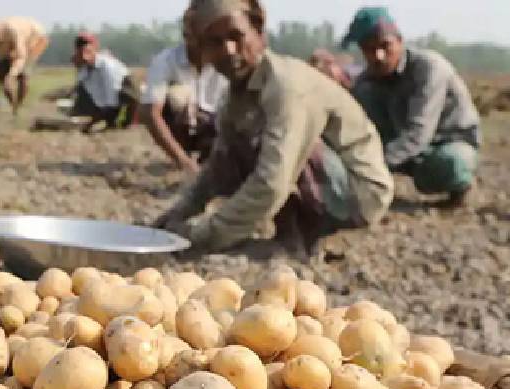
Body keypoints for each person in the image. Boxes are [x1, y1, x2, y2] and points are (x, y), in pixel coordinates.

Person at [155, 0, 394, 252]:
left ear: (259, 34)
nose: (229, 50)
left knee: (276, 145)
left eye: (237, 36)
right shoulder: (237, 93)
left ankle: (301, 236)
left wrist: (203, 235)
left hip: (360, 193)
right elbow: (218, 165)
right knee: (237, 146)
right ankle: (292, 233)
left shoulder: (287, 87)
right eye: (215, 42)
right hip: (329, 184)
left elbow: (273, 181)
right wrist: (178, 214)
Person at [344, 7, 481, 204]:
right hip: (405, 145)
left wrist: (374, 166)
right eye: (369, 49)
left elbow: (419, 132)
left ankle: (461, 186)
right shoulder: (366, 82)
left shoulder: (429, 68)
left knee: (451, 164)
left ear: (400, 41)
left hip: (448, 142)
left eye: (385, 46)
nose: (379, 56)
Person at [139, 10, 229, 173]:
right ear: (187, 36)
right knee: (176, 96)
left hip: (215, 126)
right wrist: (182, 160)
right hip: (182, 126)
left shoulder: (228, 61)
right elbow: (150, 113)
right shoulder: (165, 61)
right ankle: (183, 154)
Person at [69, 33, 139, 132]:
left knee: (128, 97)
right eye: (80, 49)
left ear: (95, 49)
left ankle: (132, 121)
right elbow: (98, 98)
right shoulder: (84, 71)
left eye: (86, 48)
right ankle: (110, 122)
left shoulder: (107, 66)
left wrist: (91, 123)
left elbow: (112, 101)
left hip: (122, 88)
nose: (83, 52)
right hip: (109, 98)